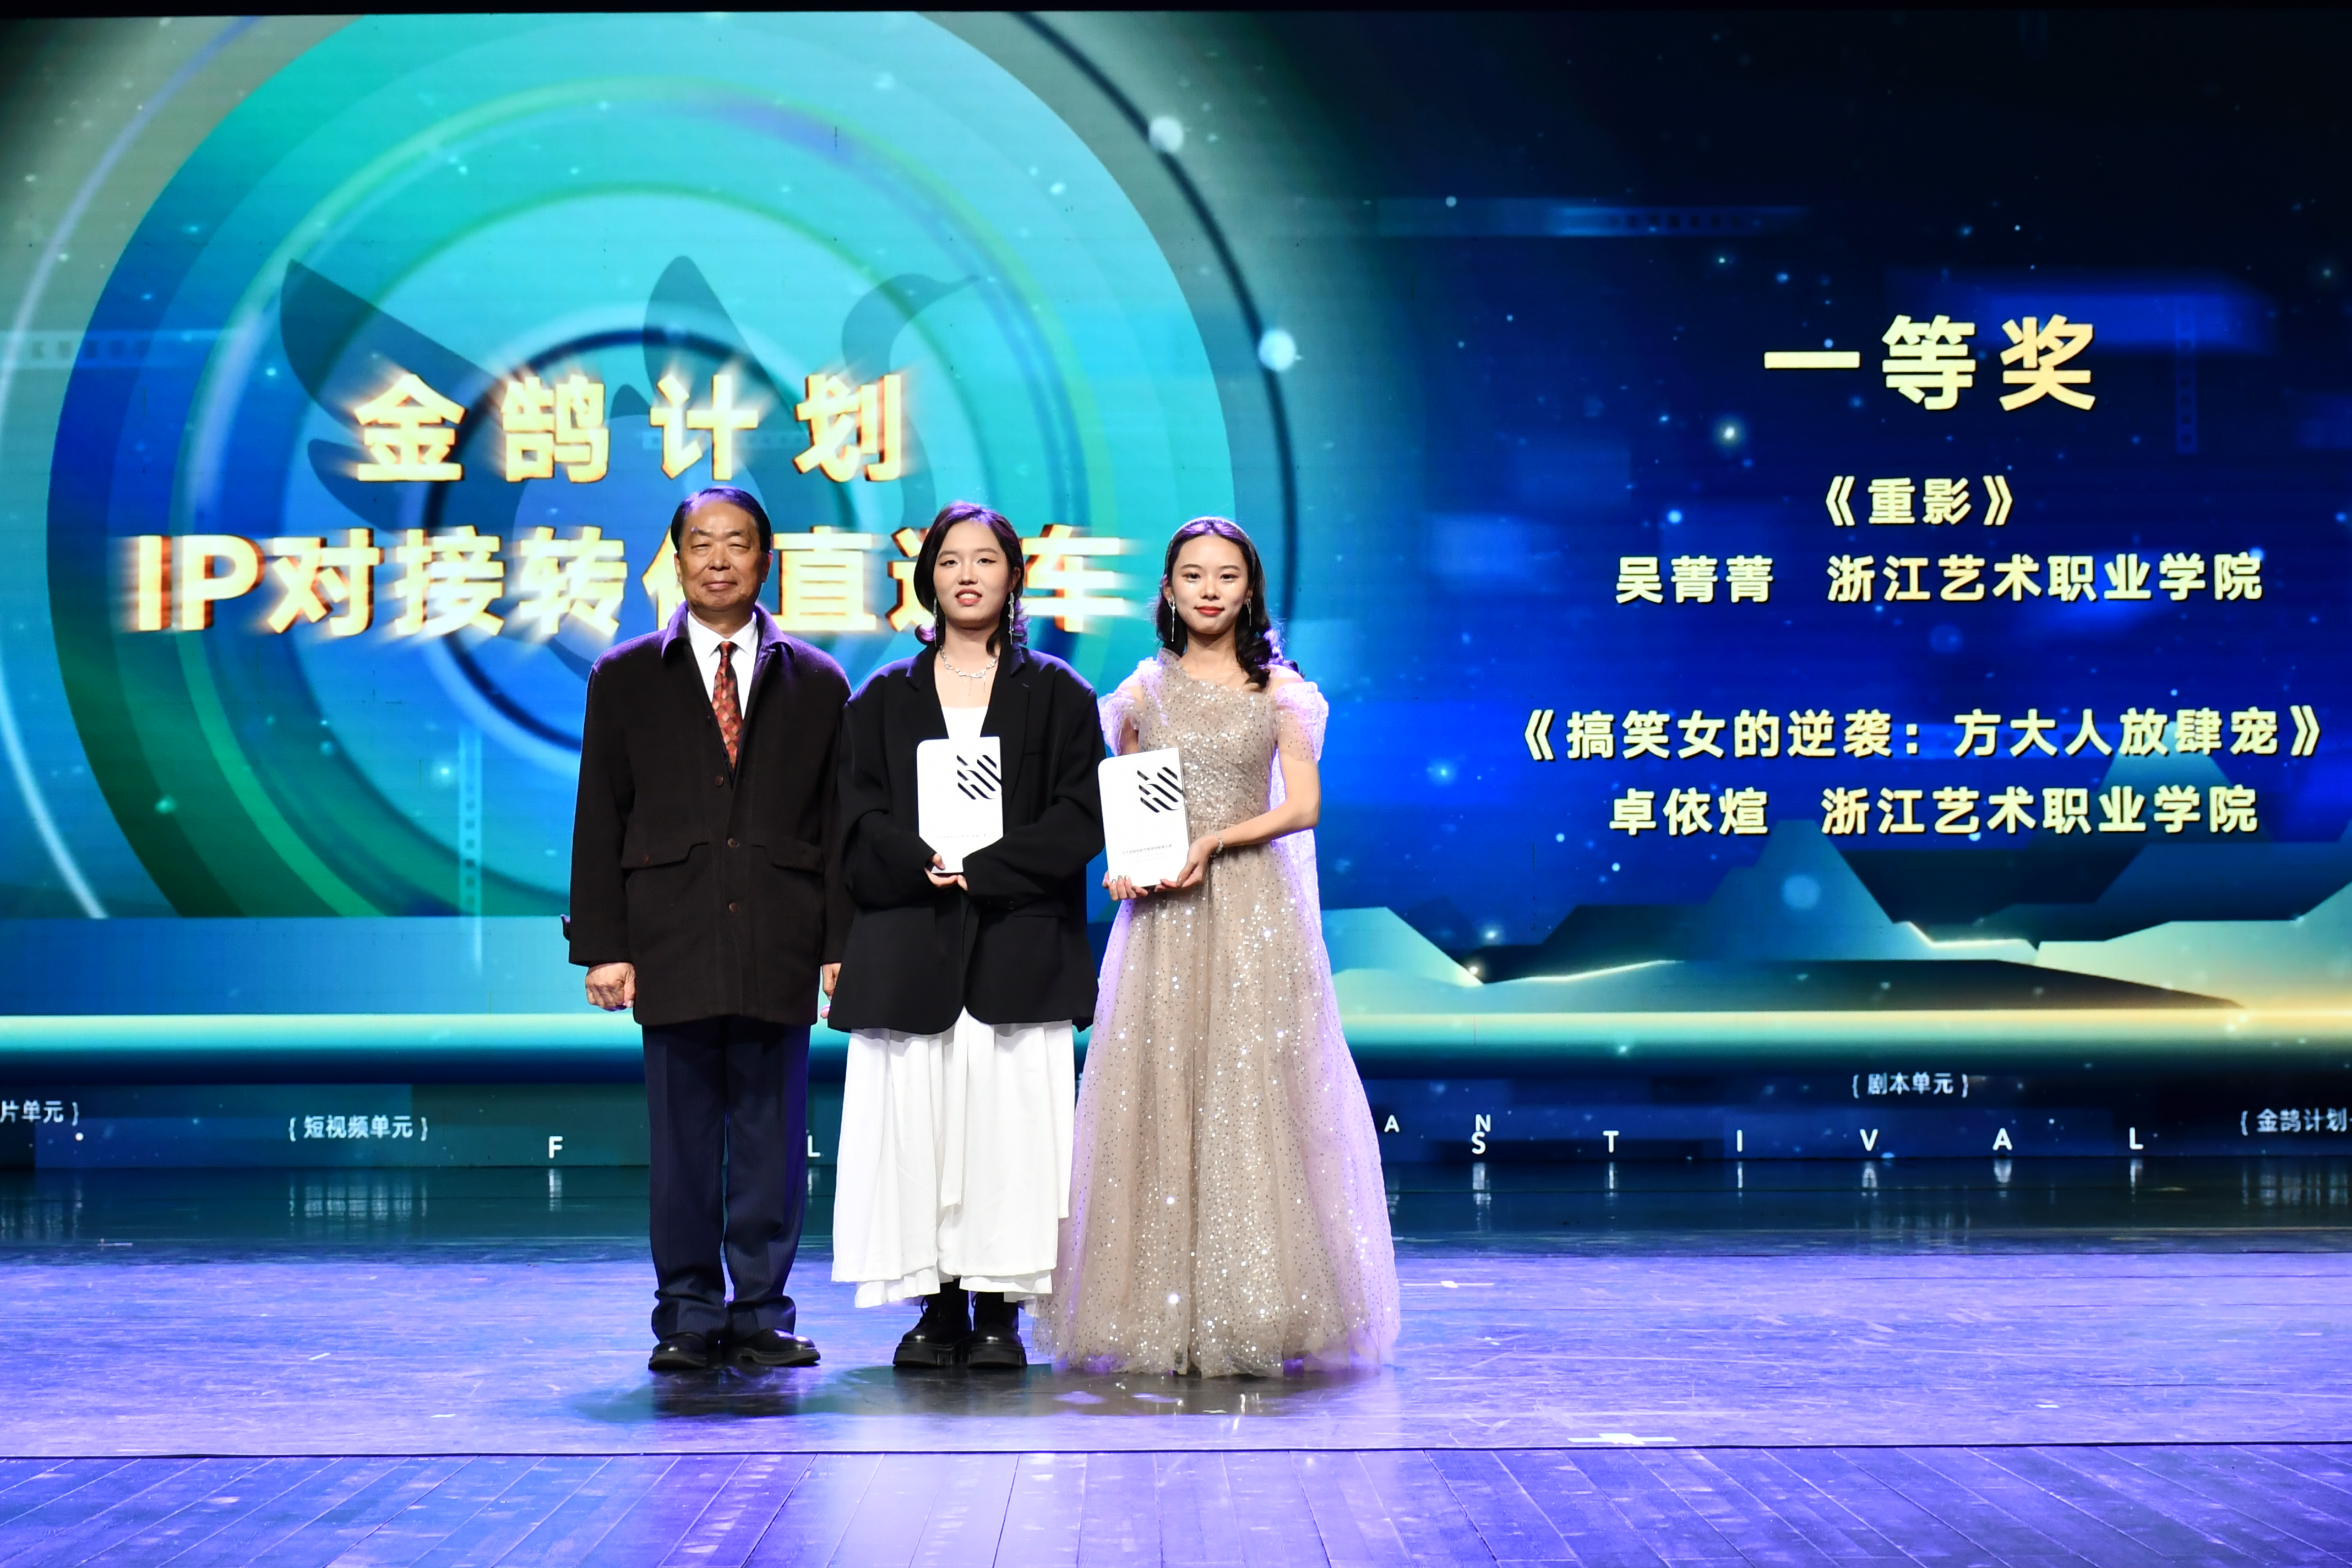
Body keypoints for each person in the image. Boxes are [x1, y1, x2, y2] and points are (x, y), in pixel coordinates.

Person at [1042, 516, 1399, 1378]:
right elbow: (1129, 800)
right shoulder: (1139, 693)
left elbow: (1303, 807)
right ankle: (1155, 1313)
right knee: (1161, 1096)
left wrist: (1216, 840)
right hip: (1164, 917)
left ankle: (1258, 1310)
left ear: (1250, 590)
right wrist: (1126, 864)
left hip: (1251, 909)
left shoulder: (1281, 693)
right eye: (1193, 575)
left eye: (1227, 576)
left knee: (1253, 1101)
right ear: (1168, 589)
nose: (1209, 590)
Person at [567, 485, 850, 1374]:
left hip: (780, 935)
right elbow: (599, 816)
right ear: (676, 560)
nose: (719, 560)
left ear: (766, 561)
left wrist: (840, 945)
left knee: (773, 1141)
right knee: (683, 1144)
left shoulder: (817, 680)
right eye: (700, 543)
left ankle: (762, 1311)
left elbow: (838, 823)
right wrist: (604, 946)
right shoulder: (624, 677)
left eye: (737, 543)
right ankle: (687, 1312)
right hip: (671, 937)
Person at [828, 500, 1105, 1369]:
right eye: (950, 560)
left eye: (985, 559)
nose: (967, 575)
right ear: (928, 578)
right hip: (911, 941)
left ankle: (999, 1313)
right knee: (922, 1132)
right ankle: (937, 1306)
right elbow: (854, 815)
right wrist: (922, 861)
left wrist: (985, 867)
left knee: (1008, 1136)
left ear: (1014, 576)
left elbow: (1082, 814)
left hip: (1016, 946)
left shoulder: (1058, 693)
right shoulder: (883, 696)